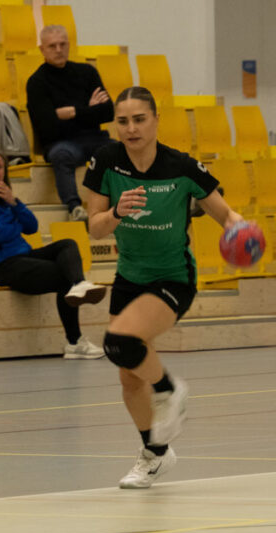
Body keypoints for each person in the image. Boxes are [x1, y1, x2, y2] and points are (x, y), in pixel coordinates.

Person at [83, 87, 243, 488]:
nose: (131, 128)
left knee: (119, 342)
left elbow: (225, 215)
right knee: (127, 375)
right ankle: (155, 453)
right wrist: (117, 211)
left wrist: (242, 230)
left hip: (173, 277)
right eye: (123, 121)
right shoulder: (106, 161)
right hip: (129, 276)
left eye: (139, 119)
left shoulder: (182, 167)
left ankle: (170, 391)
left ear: (156, 120)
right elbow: (95, 229)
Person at [0, 150, 106, 359]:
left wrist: (14, 203)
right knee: (62, 275)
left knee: (67, 244)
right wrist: (15, 223)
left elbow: (32, 226)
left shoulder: (6, 197)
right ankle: (74, 342)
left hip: (22, 258)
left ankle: (79, 284)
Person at [26, 24, 113, 223]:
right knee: (62, 155)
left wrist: (72, 112)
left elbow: (108, 112)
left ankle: (128, 203)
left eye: (62, 44)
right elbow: (48, 128)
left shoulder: (87, 72)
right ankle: (74, 207)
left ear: (69, 45)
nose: (59, 50)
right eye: (52, 46)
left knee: (121, 150)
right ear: (42, 49)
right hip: (60, 143)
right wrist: (88, 110)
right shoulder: (37, 82)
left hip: (94, 139)